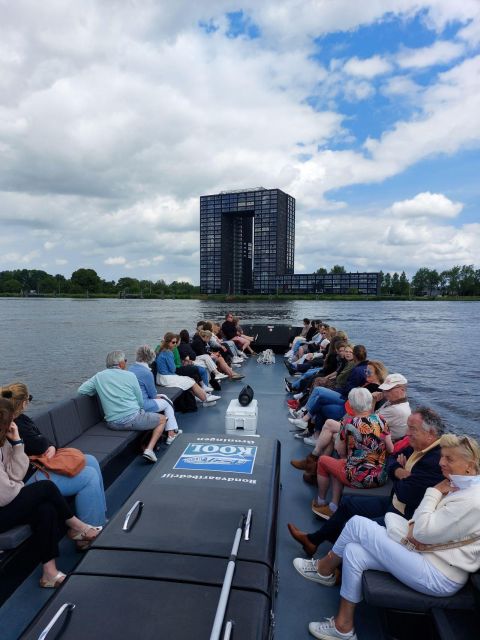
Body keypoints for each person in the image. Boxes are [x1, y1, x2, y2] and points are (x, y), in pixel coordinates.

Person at [293, 433, 480, 640]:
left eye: (449, 459)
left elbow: (420, 531)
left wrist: (434, 491)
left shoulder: (470, 500)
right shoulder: (458, 486)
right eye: (442, 456)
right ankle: (343, 627)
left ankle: (324, 569)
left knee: (357, 525)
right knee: (354, 552)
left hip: (439, 574)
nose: (441, 462)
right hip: (428, 556)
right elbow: (418, 521)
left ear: (469, 466)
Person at [287, 407, 445, 557]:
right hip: (394, 501)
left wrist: (397, 474)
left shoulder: (435, 460)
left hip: (403, 516)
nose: (407, 433)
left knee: (353, 525)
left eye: (412, 429)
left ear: (430, 433)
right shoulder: (419, 447)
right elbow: (391, 459)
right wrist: (399, 471)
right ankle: (313, 541)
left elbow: (404, 493)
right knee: (348, 503)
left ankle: (333, 567)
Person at [0, 397, 102, 588]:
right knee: (45, 489)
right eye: (9, 422)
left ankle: (49, 574)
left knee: (45, 508)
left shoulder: (4, 443)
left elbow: (17, 474)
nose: (13, 424)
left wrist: (17, 444)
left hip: (6, 501)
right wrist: (19, 487)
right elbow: (5, 495)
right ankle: (78, 527)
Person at [1, 383, 106, 526]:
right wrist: (47, 445)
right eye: (29, 399)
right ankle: (90, 528)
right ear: (24, 402)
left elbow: (43, 439)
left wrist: (50, 446)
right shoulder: (14, 426)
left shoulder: (23, 419)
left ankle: (99, 514)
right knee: (89, 476)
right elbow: (38, 445)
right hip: (29, 475)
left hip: (38, 464)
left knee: (91, 461)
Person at [311, 388, 393, 520]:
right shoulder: (382, 420)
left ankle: (321, 501)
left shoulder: (348, 423)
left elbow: (340, 450)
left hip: (358, 478)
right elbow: (390, 449)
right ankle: (333, 505)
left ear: (352, 405)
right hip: (380, 477)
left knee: (323, 461)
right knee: (339, 465)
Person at [78, 350, 166, 463]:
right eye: (125, 360)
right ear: (120, 364)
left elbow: (81, 390)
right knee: (162, 420)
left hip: (112, 423)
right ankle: (149, 450)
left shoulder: (99, 377)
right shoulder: (130, 375)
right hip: (131, 420)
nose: (126, 362)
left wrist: (99, 390)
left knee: (144, 416)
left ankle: (144, 446)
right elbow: (140, 400)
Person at [128, 345, 182, 446]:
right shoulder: (146, 373)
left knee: (164, 397)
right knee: (167, 403)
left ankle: (172, 430)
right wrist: (158, 397)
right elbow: (152, 394)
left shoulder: (131, 368)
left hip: (133, 402)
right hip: (143, 404)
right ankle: (171, 433)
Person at [155, 333, 220, 405]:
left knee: (189, 380)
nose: (175, 344)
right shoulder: (168, 352)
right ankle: (205, 399)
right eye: (173, 342)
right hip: (166, 377)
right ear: (167, 342)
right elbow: (173, 369)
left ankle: (204, 396)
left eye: (176, 342)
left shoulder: (161, 350)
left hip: (161, 376)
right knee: (190, 381)